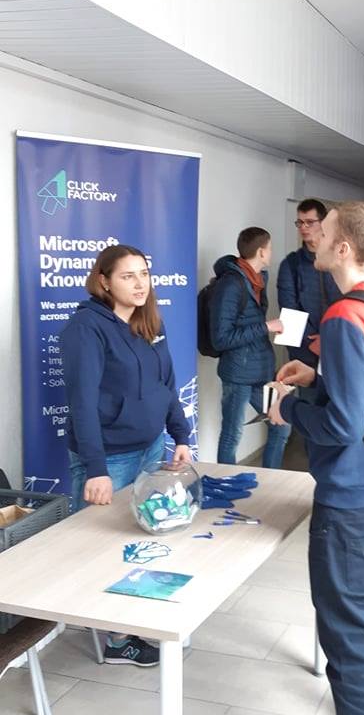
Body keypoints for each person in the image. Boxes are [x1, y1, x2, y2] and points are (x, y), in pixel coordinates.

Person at [268, 202, 364, 715]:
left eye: (322, 233)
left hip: (347, 495)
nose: (313, 239)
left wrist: (290, 409)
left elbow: (344, 423)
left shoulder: (346, 316)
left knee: (347, 634)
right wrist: (317, 375)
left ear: (343, 247)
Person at [60, 244, 191, 667]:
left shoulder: (148, 321)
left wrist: (180, 434)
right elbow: (82, 403)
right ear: (103, 280)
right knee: (103, 546)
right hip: (109, 457)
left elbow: (166, 385)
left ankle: (134, 618)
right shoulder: (86, 328)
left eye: (144, 274)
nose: (139, 284)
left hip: (149, 447)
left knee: (140, 539)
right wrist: (96, 469)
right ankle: (116, 639)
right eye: (127, 276)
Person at [210, 227, 291, 467]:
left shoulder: (257, 280)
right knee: (232, 435)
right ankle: (225, 483)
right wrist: (266, 326)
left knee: (281, 424)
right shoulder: (230, 285)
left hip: (260, 371)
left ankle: (271, 481)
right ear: (261, 252)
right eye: (270, 248)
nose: (271, 253)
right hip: (238, 374)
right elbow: (221, 339)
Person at [277, 198, 341, 372]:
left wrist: (329, 339)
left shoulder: (339, 259)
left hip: (337, 345)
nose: (303, 228)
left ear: (323, 223)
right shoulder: (290, 264)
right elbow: (289, 310)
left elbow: (348, 301)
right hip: (305, 353)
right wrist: (313, 341)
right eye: (300, 222)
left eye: (310, 222)